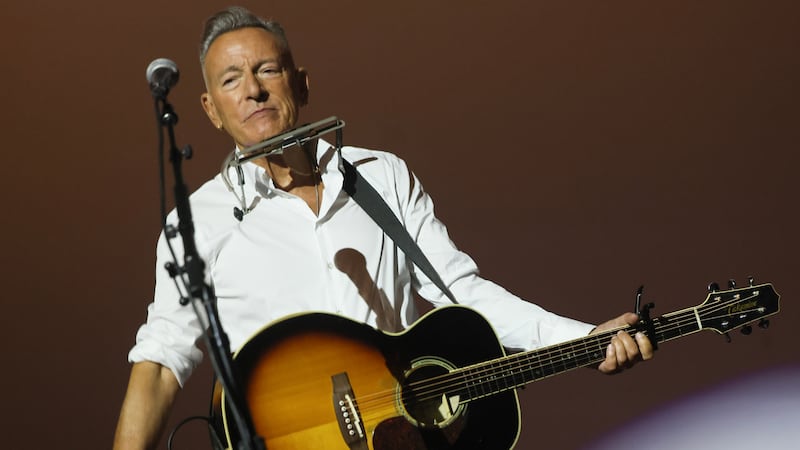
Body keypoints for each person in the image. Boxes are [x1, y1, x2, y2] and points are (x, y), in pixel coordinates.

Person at [113, 6, 653, 450]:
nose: (252, 90)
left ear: (300, 83)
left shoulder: (380, 176)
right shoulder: (196, 222)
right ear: (211, 109)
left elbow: (459, 292)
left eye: (267, 71)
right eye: (232, 80)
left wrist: (583, 340)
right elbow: (161, 363)